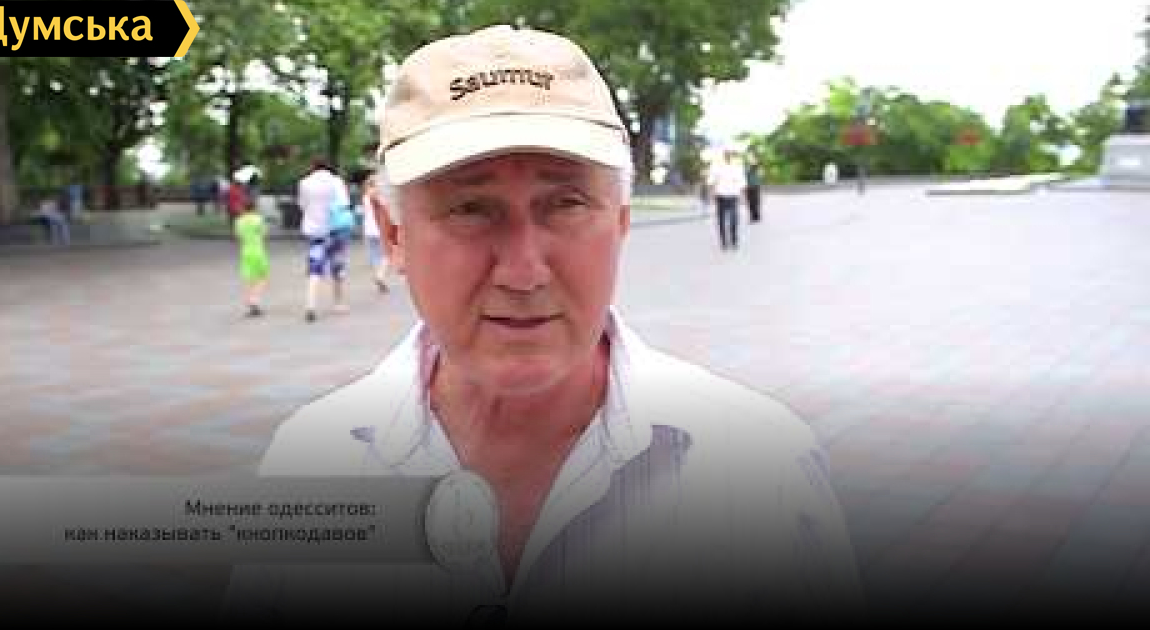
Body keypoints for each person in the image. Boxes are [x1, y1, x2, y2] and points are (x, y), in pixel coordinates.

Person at [222, 24, 863, 625]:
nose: (523, 272)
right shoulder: (311, 463)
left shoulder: (763, 471)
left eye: (567, 203)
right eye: (470, 208)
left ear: (620, 221)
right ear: (393, 233)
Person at [296, 157, 351, 322]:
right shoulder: (336, 181)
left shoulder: (305, 183)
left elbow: (302, 205)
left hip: (315, 231)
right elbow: (344, 203)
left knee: (315, 268)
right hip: (335, 229)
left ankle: (311, 304)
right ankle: (338, 302)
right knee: (337, 265)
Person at [233, 197, 269, 317]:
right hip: (258, 250)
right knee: (263, 276)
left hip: (245, 251)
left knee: (249, 278)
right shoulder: (258, 219)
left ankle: (249, 300)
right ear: (254, 207)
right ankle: (254, 300)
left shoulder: (239, 221)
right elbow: (264, 233)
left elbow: (238, 235)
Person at [706, 147, 747, 250]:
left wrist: (743, 196)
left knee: (734, 218)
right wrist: (711, 194)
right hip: (720, 195)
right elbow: (711, 181)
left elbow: (742, 181)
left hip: (733, 195)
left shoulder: (737, 166)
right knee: (721, 219)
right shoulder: (716, 165)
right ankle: (723, 241)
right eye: (726, 153)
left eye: (730, 153)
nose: (728, 154)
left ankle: (734, 240)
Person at [358, 171, 391, 294]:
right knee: (387, 254)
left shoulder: (365, 197)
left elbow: (363, 212)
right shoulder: (378, 195)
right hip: (379, 228)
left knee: (374, 256)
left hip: (368, 229)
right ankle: (380, 276)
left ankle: (378, 275)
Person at [744, 152, 762, 223]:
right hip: (748, 185)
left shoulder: (756, 166)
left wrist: (754, 164)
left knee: (755, 201)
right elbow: (745, 173)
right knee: (750, 201)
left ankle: (756, 216)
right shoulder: (746, 166)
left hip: (755, 185)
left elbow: (760, 174)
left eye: (751, 157)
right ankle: (752, 216)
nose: (750, 159)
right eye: (749, 157)